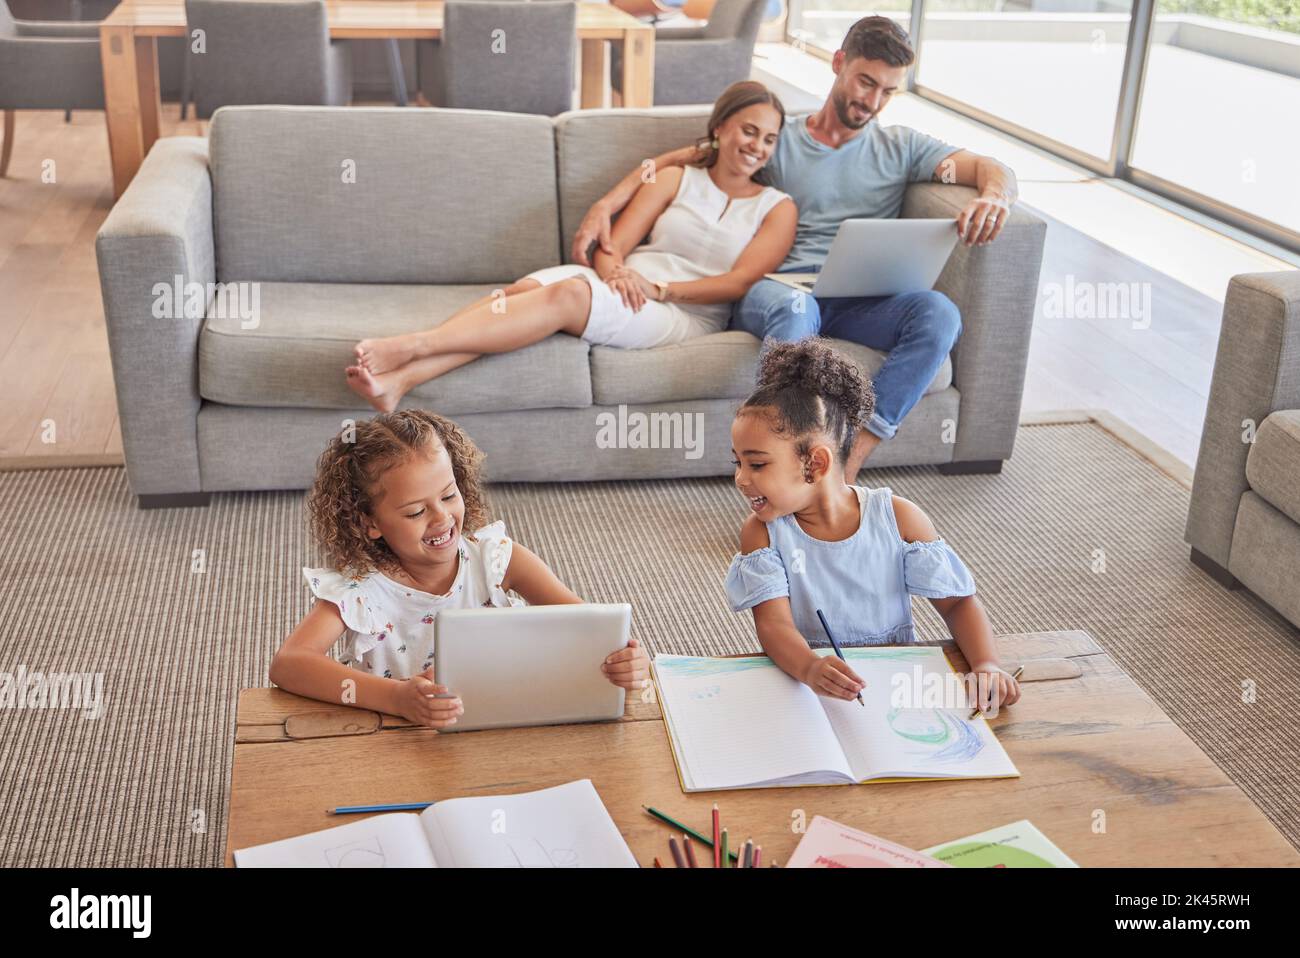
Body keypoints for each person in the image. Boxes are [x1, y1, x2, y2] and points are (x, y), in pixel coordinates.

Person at [572, 16, 1020, 480]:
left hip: (859, 299)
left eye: (887, 91)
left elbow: (989, 167)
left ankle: (846, 463)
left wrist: (995, 195)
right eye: (866, 82)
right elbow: (683, 158)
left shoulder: (902, 148)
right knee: (795, 306)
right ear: (838, 62)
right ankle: (782, 464)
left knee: (940, 313)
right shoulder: (777, 137)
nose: (872, 101)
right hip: (776, 291)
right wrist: (607, 203)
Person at [343, 81, 797, 414]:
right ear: (720, 128)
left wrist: (658, 288)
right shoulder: (676, 178)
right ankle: (401, 381)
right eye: (748, 130)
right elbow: (610, 246)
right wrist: (616, 270)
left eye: (769, 139)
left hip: (684, 313)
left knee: (569, 294)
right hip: (623, 284)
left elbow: (739, 283)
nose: (757, 146)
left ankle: (414, 346)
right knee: (519, 293)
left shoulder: (776, 208)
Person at [269, 409, 650, 729]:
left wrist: (631, 660)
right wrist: (398, 698)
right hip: (405, 739)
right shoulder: (359, 590)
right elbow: (289, 664)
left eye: (449, 495)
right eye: (416, 511)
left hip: (510, 722)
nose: (441, 518)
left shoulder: (497, 558)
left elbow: (589, 627)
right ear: (369, 522)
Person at [723, 339, 1020, 712]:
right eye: (738, 463)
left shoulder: (899, 518)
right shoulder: (762, 534)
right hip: (807, 688)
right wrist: (810, 667)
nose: (741, 478)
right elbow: (774, 627)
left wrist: (986, 664)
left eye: (757, 464)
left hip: (895, 691)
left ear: (815, 464)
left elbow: (959, 602)